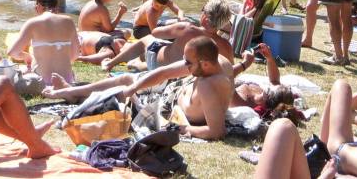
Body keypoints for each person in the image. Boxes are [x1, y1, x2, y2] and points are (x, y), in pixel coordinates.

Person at [49, 36, 233, 141]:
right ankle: (71, 91)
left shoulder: (208, 86)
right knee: (129, 81)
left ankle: (72, 94)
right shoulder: (218, 63)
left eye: (188, 62)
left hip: (167, 106)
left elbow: (216, 131)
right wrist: (133, 88)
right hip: (174, 91)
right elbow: (163, 73)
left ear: (206, 64)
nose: (185, 65)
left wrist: (183, 129)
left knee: (122, 91)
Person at [102, 0, 232, 72]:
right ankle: (137, 64)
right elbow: (230, 70)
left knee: (147, 39)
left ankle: (111, 63)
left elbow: (155, 33)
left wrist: (173, 24)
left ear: (204, 16)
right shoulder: (225, 46)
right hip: (184, 73)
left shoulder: (186, 28)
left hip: (161, 65)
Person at [7, 0, 79, 94]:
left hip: (40, 82)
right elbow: (74, 56)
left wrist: (26, 56)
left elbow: (12, 52)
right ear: (56, 7)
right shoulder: (69, 21)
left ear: (38, 6)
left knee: (17, 70)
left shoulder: (33, 23)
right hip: (66, 80)